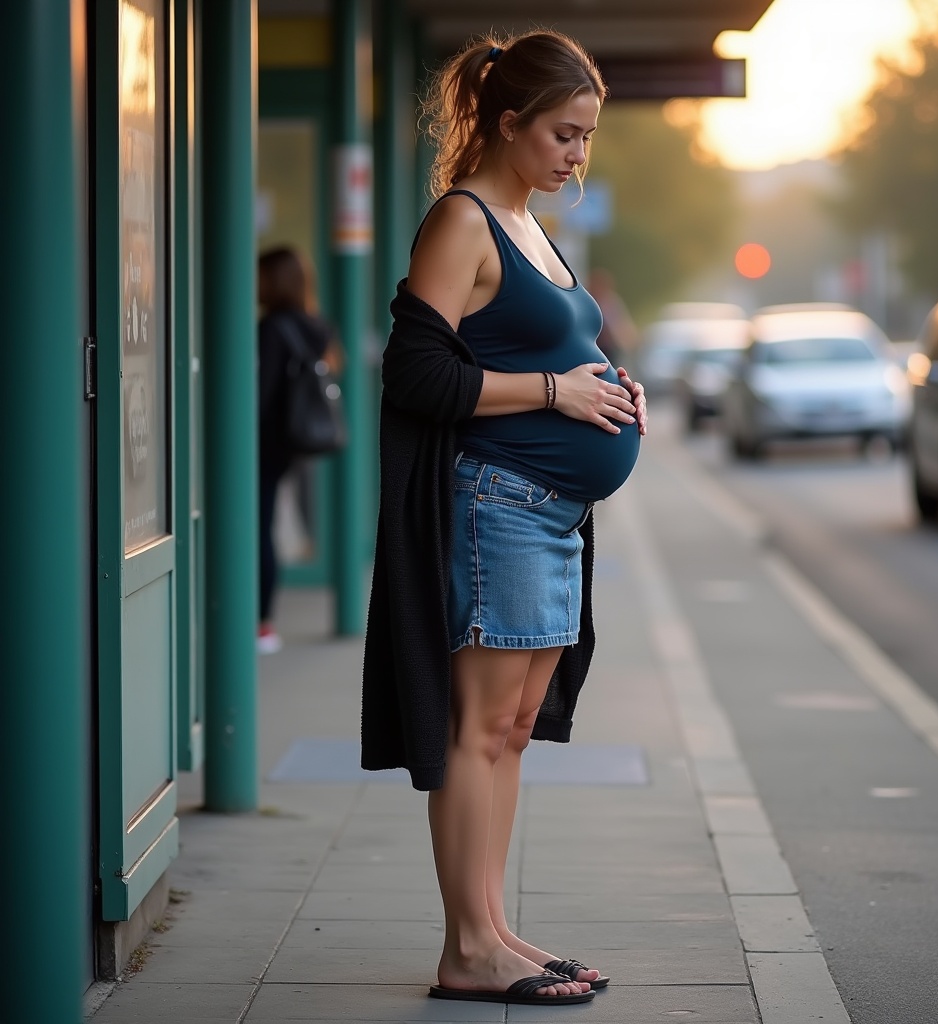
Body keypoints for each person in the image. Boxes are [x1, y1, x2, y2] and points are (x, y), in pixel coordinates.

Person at [360, 29, 648, 1007]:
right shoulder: (462, 222)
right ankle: (466, 948)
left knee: (515, 727)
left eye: (588, 137)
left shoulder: (530, 225)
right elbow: (415, 372)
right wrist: (557, 396)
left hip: (551, 517)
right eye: (564, 133)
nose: (578, 154)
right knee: (476, 728)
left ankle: (495, 929)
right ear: (509, 120)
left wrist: (611, 390)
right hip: (494, 510)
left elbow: (554, 357)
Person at [256, 245, 342, 653]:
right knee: (267, 524)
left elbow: (261, 392)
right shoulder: (317, 324)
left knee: (256, 528)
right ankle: (265, 622)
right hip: (291, 439)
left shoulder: (272, 328)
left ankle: (259, 621)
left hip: (262, 442)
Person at [587, 266, 639, 370]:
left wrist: (629, 341)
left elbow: (620, 324)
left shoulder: (611, 302)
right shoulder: (588, 303)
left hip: (610, 349)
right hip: (593, 348)